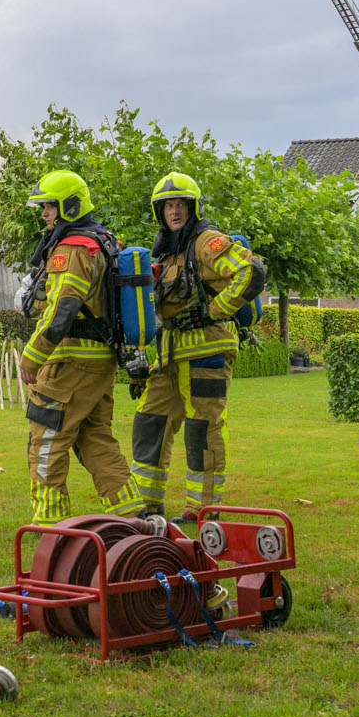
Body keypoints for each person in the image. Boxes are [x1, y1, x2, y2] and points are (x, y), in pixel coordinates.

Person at [128, 172, 263, 521]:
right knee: (149, 421)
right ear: (161, 212)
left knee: (202, 429)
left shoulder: (207, 241)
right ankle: (148, 506)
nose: (174, 211)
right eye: (168, 206)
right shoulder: (167, 250)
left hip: (206, 351)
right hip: (170, 354)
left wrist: (216, 310)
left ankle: (202, 509)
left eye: (180, 205)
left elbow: (250, 271)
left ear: (193, 207)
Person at [16, 171, 144, 521]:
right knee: (95, 438)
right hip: (98, 361)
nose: (44, 214)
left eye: (49, 207)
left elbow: (62, 310)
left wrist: (31, 357)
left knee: (46, 441)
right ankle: (132, 517)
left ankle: (50, 527)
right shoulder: (101, 241)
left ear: (69, 206)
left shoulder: (72, 248)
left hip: (70, 362)